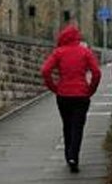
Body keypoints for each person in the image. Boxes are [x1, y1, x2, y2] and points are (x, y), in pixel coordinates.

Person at [40, 25, 102, 173]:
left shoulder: (58, 52)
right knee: (78, 127)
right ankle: (74, 156)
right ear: (77, 38)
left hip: (63, 95)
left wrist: (54, 88)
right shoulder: (85, 52)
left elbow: (45, 71)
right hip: (81, 95)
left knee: (67, 125)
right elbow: (97, 73)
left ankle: (69, 156)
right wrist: (90, 90)